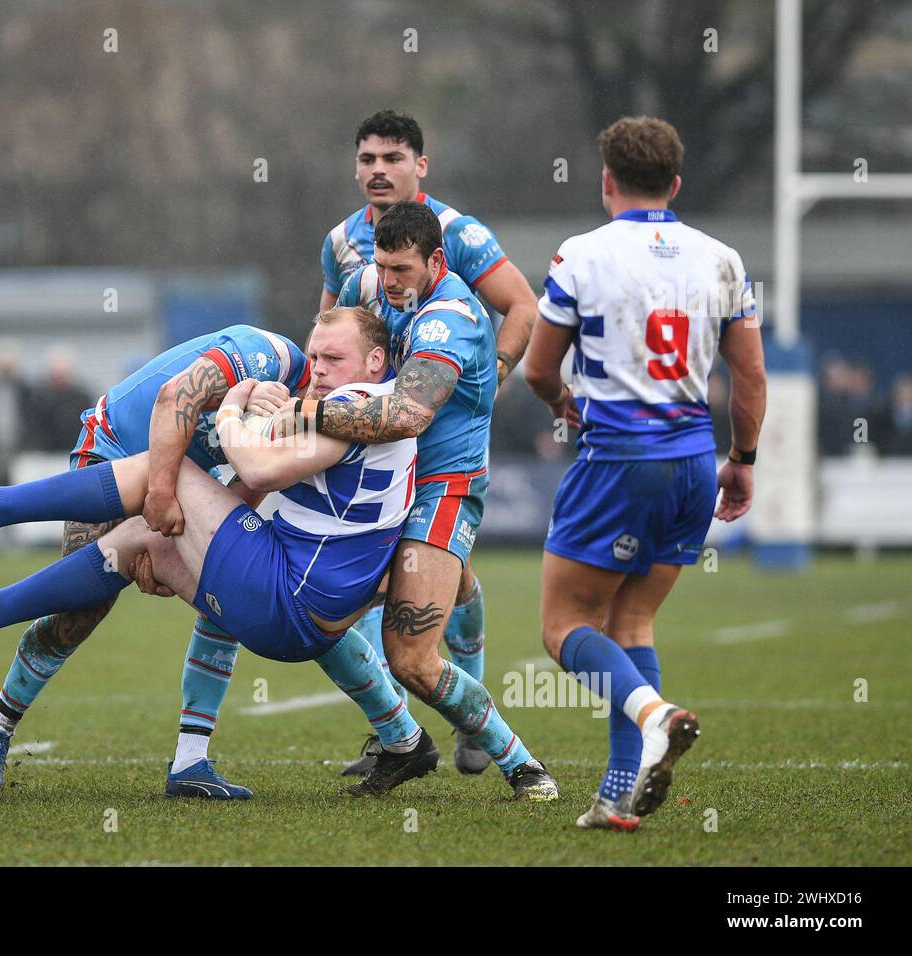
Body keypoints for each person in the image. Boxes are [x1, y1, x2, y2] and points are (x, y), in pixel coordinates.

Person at [0, 307, 438, 798]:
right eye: (317, 356)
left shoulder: (315, 412)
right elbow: (173, 400)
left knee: (236, 593)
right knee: (77, 616)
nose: (322, 369)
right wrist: (164, 497)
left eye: (334, 359)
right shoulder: (262, 358)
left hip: (187, 477)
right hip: (118, 449)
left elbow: (246, 493)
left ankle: (191, 760)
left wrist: (189, 547)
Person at [523, 116, 767, 830]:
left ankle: (656, 715)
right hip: (693, 460)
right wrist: (742, 462)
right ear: (677, 184)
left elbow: (539, 367)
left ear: (606, 182)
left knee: (563, 626)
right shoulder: (722, 259)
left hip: (619, 458)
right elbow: (749, 376)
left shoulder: (581, 256)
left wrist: (561, 404)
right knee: (633, 621)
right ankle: (617, 794)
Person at [279, 201, 560, 800]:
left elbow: (407, 413)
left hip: (443, 487)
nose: (389, 282)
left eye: (402, 270)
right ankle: (402, 740)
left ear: (435, 261)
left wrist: (300, 414)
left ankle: (525, 767)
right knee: (313, 613)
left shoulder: (451, 316)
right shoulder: (367, 283)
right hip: (381, 480)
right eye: (382, 267)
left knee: (410, 657)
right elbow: (327, 345)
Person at [317, 109, 542, 773]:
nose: (378, 170)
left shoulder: (459, 244)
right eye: (367, 159)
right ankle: (401, 739)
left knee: (403, 639)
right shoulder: (345, 249)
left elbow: (522, 307)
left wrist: (487, 375)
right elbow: (334, 340)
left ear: (422, 165)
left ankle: (499, 754)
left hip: (436, 452)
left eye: (393, 157)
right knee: (339, 608)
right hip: (380, 453)